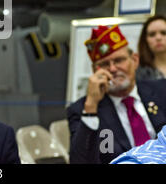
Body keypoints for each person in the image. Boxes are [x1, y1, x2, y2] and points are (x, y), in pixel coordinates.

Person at [67, 25, 166, 164]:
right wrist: (91, 107)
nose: (113, 69)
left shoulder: (162, 90)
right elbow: (80, 162)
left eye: (119, 60)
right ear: (95, 70)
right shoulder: (82, 110)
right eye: (104, 64)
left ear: (135, 60)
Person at [137, 15, 166, 80]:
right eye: (152, 34)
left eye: (164, 33)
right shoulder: (139, 73)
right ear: (145, 40)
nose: (158, 38)